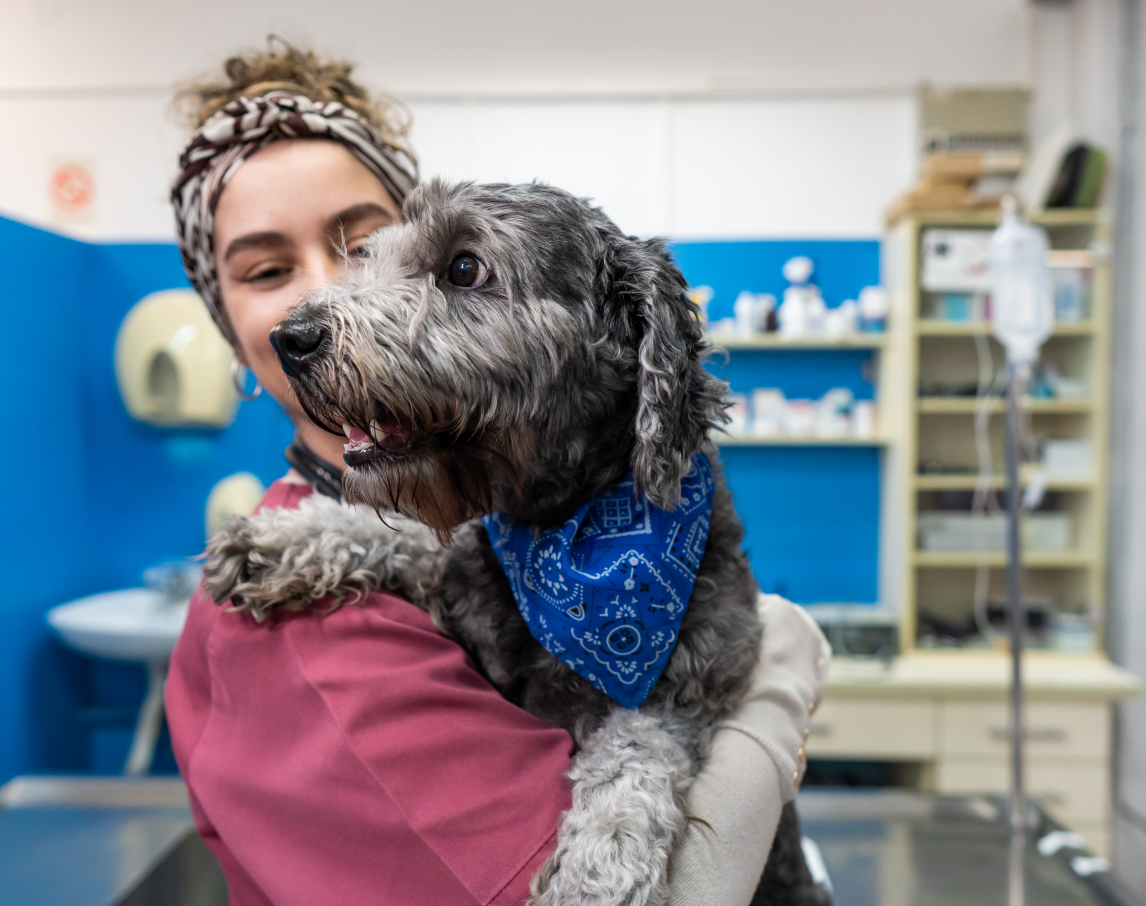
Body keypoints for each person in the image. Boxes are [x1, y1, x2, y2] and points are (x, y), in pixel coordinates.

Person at [164, 40, 829, 906]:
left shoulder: (513, 521)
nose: (322, 301)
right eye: (265, 270)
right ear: (229, 332)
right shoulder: (307, 635)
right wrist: (779, 686)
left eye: (370, 246)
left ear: (630, 343)